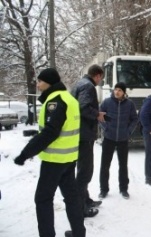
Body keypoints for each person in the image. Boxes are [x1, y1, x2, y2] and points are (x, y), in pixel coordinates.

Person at [14, 68, 86, 237]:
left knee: (43, 199)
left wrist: (25, 153)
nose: (37, 85)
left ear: (49, 82)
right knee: (71, 197)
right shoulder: (69, 99)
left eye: (40, 81)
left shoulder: (55, 101)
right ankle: (79, 233)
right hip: (68, 159)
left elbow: (50, 132)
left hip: (54, 160)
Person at [71, 64, 105, 218]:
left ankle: (86, 200)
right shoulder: (88, 86)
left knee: (83, 170)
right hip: (84, 135)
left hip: (79, 134)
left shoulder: (79, 83)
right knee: (85, 171)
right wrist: (97, 114)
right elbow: (83, 108)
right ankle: (81, 207)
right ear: (97, 75)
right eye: (101, 78)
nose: (100, 81)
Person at [98, 82, 138, 199]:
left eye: (120, 90)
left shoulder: (129, 104)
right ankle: (103, 190)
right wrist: (106, 128)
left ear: (124, 92)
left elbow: (134, 119)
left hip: (123, 139)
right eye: (115, 89)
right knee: (105, 165)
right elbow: (99, 117)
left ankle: (124, 189)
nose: (117, 92)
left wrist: (128, 131)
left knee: (123, 165)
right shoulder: (107, 102)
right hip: (109, 138)